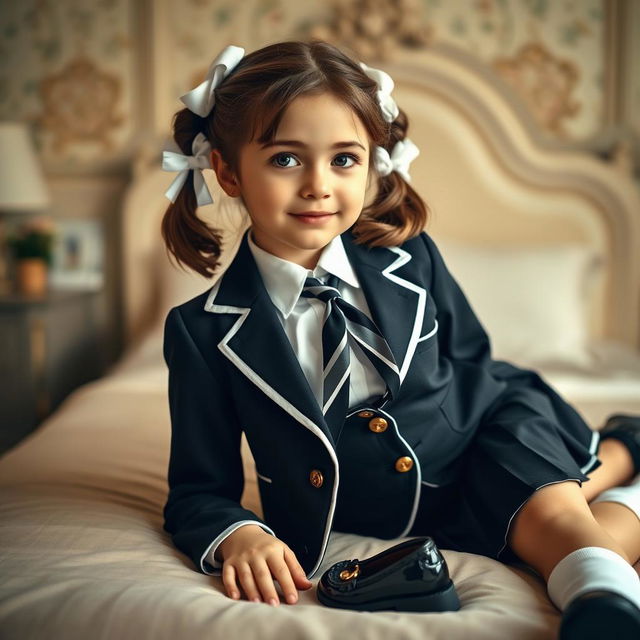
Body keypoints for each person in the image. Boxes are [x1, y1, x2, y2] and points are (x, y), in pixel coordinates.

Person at [160, 40, 640, 636]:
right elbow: (197, 490)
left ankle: (604, 604)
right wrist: (240, 534)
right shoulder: (201, 329)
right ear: (228, 172)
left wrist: (522, 449)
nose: (318, 185)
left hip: (483, 434)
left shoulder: (409, 257)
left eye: (344, 159)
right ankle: (625, 455)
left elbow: (472, 360)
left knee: (549, 512)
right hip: (366, 507)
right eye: (286, 159)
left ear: (372, 164)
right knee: (552, 512)